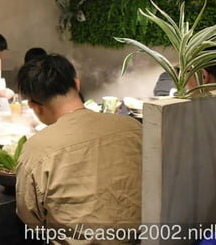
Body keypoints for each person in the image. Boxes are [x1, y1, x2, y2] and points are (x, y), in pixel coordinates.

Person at [16, 54, 142, 243]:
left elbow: (31, 219)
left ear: (34, 106)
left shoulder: (36, 149)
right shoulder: (133, 127)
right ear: (77, 84)